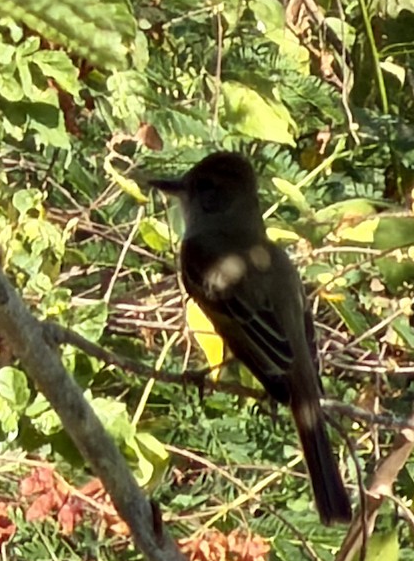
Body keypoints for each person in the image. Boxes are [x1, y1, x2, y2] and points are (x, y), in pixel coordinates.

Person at [149, 152, 352, 524]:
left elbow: (236, 328)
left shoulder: (200, 251)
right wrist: (293, 374)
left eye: (200, 188)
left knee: (299, 405)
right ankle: (334, 501)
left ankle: (331, 504)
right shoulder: (274, 257)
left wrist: (273, 376)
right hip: (296, 352)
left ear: (221, 200)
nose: (184, 194)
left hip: (271, 354)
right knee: (309, 415)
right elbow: (297, 330)